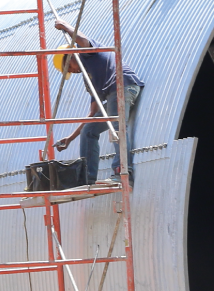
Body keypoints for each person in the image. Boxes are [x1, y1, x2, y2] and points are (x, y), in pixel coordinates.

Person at [52, 21, 145, 187]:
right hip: (112, 95)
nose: (72, 72)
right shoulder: (89, 80)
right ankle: (87, 178)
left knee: (117, 126)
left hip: (122, 86)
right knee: (89, 130)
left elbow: (82, 39)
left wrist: (65, 26)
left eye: (69, 68)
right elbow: (93, 113)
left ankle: (123, 172)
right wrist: (71, 138)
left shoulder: (86, 53)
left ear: (71, 56)